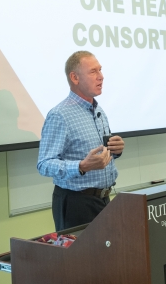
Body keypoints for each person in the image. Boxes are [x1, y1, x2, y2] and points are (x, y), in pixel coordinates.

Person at [37, 51, 125, 231]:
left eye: (100, 70)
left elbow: (98, 155)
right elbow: (44, 164)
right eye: (93, 72)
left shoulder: (98, 110)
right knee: (81, 259)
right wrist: (81, 166)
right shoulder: (59, 115)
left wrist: (115, 151)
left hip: (103, 200)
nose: (101, 77)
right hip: (76, 204)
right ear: (75, 78)